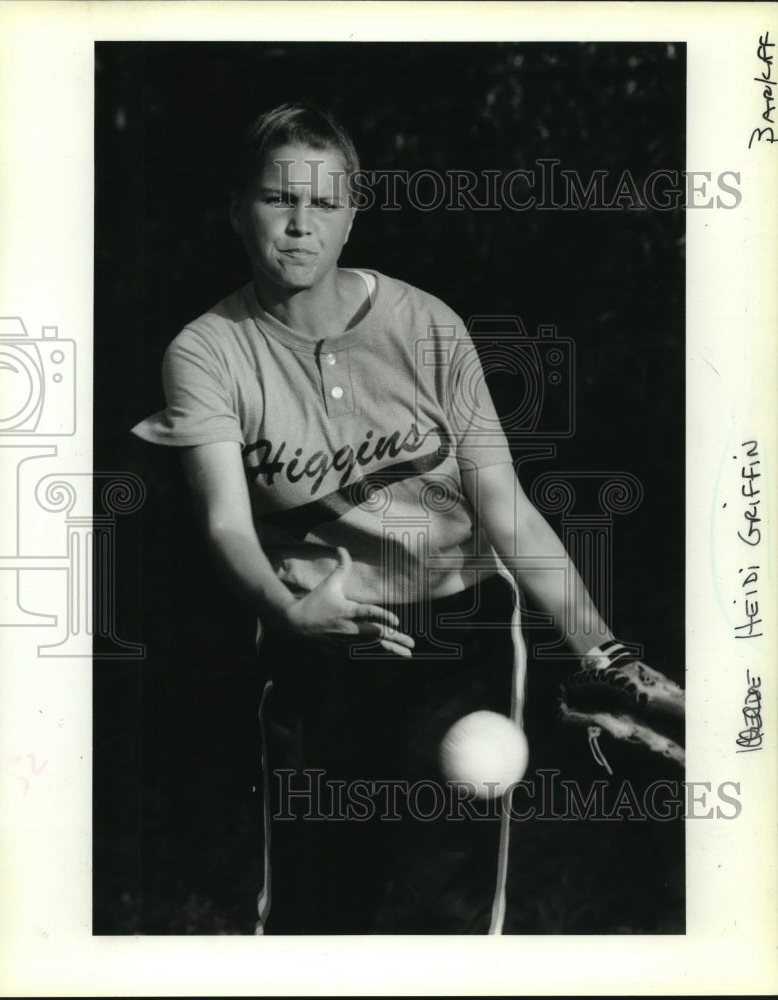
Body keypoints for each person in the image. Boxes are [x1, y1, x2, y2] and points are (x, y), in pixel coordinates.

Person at [132, 102, 619, 935]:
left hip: (457, 636)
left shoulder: (428, 327)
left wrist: (601, 653)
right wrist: (289, 613)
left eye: (323, 204)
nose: (298, 224)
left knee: (443, 911)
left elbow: (505, 507)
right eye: (277, 198)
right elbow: (225, 526)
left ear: (352, 217)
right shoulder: (207, 351)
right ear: (236, 211)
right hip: (318, 644)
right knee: (313, 911)